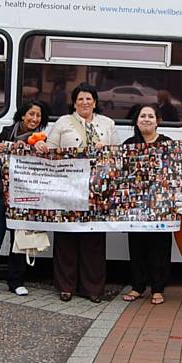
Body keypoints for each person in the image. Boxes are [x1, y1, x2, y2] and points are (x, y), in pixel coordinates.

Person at [40, 82, 119, 303]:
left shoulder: (108, 123)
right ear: (74, 102)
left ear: (95, 102)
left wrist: (108, 150)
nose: (85, 102)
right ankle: (65, 286)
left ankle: (93, 288)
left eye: (89, 98)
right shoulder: (63, 122)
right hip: (67, 187)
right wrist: (41, 147)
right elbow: (50, 148)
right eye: (80, 99)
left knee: (93, 238)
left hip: (96, 190)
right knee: (66, 236)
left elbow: (118, 154)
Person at [0, 99, 50, 298]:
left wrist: (40, 148)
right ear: (22, 115)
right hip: (0, 196)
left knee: (19, 242)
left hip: (24, 199)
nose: (34, 119)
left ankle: (16, 282)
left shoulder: (42, 139)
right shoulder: (6, 132)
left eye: (38, 116)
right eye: (31, 114)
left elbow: (44, 168)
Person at [122, 104, 173, 305]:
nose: (146, 119)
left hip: (160, 206)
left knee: (159, 247)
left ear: (157, 121)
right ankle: (137, 287)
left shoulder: (168, 144)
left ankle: (158, 289)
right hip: (135, 206)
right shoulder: (129, 144)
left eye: (150, 116)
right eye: (142, 116)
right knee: (137, 246)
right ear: (136, 120)